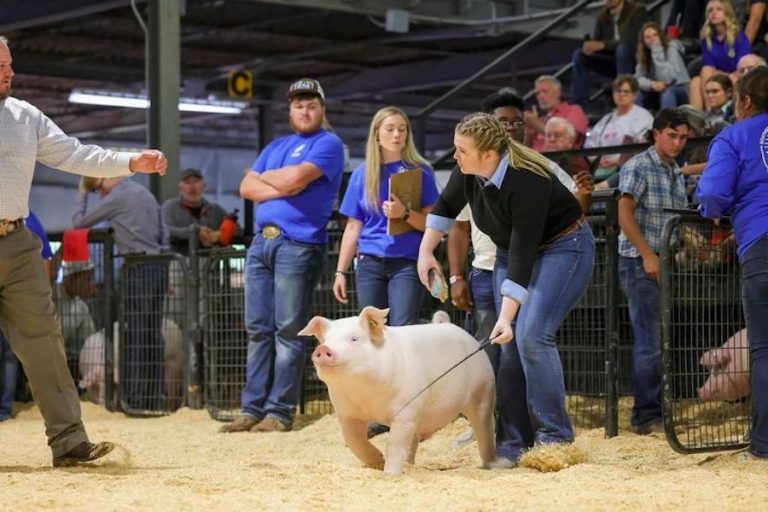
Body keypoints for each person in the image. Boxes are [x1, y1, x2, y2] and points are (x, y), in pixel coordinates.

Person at [0, 35, 167, 466]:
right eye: (0, 66)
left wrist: (130, 162)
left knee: (45, 343)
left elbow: (75, 154)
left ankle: (70, 443)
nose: (9, 73)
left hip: (17, 242)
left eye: (10, 65)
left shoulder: (24, 116)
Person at [419, 112, 595, 468]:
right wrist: (425, 252)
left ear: (488, 154)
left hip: (564, 246)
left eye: (461, 151)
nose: (454, 157)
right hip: (510, 253)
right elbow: (445, 208)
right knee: (508, 345)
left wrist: (506, 316)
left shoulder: (527, 179)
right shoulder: (469, 171)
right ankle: (513, 443)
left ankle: (555, 439)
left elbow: (523, 252)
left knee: (530, 335)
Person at [222, 78, 344, 434]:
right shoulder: (277, 145)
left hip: (299, 243)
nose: (304, 111)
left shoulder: (329, 144)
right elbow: (246, 187)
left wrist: (268, 181)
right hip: (262, 242)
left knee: (288, 330)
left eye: (311, 105)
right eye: (298, 105)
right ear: (289, 110)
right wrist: (283, 180)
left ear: (322, 109)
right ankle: (252, 408)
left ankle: (279, 411)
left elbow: (285, 182)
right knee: (258, 328)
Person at [696, 66, 768, 459]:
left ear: (743, 101)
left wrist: (714, 209)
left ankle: (764, 445)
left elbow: (713, 194)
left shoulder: (733, 135)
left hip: (762, 240)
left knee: (765, 347)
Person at [617, 108, 690, 435]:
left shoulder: (675, 171)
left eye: (683, 137)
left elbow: (675, 219)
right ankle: (646, 416)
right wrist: (647, 254)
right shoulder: (639, 166)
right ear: (656, 133)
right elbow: (624, 213)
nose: (677, 142)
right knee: (650, 340)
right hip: (639, 260)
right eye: (672, 135)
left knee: (658, 339)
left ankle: (655, 410)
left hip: (663, 260)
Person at [333, 106, 438, 326]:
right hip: (369, 262)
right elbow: (353, 227)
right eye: (390, 129)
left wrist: (405, 214)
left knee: (403, 328)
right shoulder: (362, 174)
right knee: (371, 331)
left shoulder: (421, 170)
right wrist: (340, 271)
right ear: (377, 134)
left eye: (402, 129)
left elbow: (433, 223)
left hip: (407, 261)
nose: (397, 135)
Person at [73, 174, 168, 411]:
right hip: (160, 264)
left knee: (135, 333)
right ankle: (153, 399)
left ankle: (133, 401)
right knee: (153, 333)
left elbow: (79, 223)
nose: (99, 195)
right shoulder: (144, 192)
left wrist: (83, 194)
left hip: (137, 267)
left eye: (96, 189)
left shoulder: (117, 197)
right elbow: (164, 230)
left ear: (102, 180)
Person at [570, 0, 649, 110]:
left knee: (622, 50)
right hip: (612, 61)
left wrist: (604, 45)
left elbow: (633, 41)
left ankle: (623, 98)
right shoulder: (603, 16)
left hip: (633, 60)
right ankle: (579, 106)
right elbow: (598, 42)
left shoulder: (638, 11)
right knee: (579, 55)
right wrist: (591, 46)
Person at [585, 75, 654, 189]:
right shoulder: (607, 119)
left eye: (626, 91)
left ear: (635, 95)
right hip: (602, 169)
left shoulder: (643, 117)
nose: (622, 95)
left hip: (627, 170)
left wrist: (617, 160)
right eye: (618, 91)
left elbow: (644, 148)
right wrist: (599, 160)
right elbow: (590, 143)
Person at [688, 0, 751, 110]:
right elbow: (709, 66)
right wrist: (721, 74)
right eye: (710, 10)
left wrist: (727, 74)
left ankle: (733, 113)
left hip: (736, 75)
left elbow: (743, 65)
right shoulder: (707, 38)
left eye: (718, 9)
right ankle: (706, 114)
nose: (714, 12)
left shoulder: (739, 36)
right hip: (715, 76)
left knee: (733, 78)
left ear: (727, 12)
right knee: (696, 81)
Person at [162, 168, 231, 255]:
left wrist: (227, 232)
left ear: (204, 186)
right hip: (180, 262)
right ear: (180, 188)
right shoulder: (170, 207)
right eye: (187, 182)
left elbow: (235, 230)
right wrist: (195, 233)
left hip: (210, 263)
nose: (192, 187)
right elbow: (164, 231)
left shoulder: (215, 210)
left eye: (196, 181)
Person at [523, 75, 588, 152]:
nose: (541, 96)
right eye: (538, 93)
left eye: (545, 91)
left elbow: (571, 139)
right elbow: (525, 149)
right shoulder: (542, 119)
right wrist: (528, 132)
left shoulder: (573, 110)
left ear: (558, 93)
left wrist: (537, 125)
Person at [635, 21, 690, 109]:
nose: (652, 39)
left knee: (667, 92)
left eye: (655, 35)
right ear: (643, 41)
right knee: (637, 94)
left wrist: (657, 53)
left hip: (680, 88)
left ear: (660, 36)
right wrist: (652, 84)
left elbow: (668, 79)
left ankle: (666, 122)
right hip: (658, 89)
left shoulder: (671, 48)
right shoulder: (644, 54)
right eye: (648, 37)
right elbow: (638, 78)